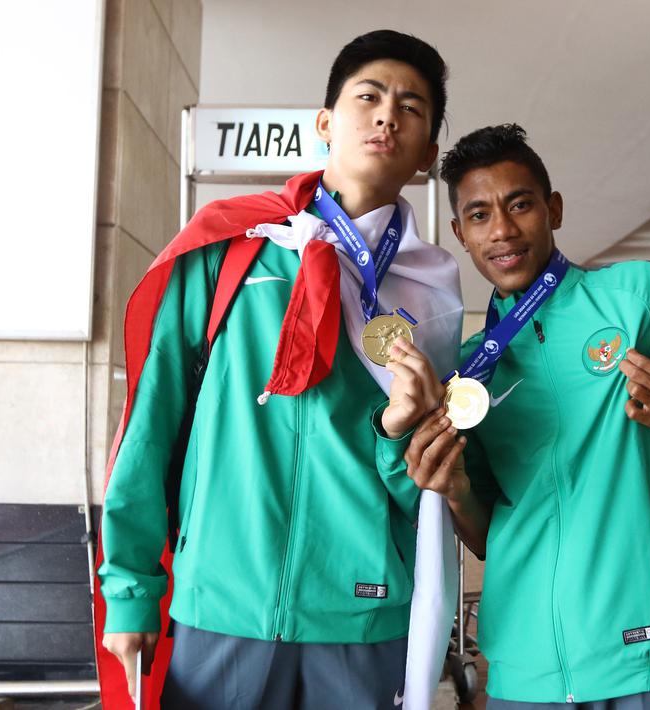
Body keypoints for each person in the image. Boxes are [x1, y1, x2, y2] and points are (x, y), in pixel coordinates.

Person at [94, 30, 462, 710]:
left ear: (428, 155)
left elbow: (425, 482)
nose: (387, 116)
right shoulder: (232, 247)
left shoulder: (430, 295)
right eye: (369, 97)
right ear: (325, 123)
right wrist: (129, 588)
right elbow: (153, 418)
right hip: (223, 602)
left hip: (361, 611)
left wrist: (396, 429)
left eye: (411, 107)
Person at [406, 124, 650, 708]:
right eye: (479, 215)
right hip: (524, 665)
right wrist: (455, 492)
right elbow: (484, 535)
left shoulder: (638, 297)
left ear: (553, 208)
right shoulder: (468, 372)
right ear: (460, 234)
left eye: (520, 204)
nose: (502, 229)